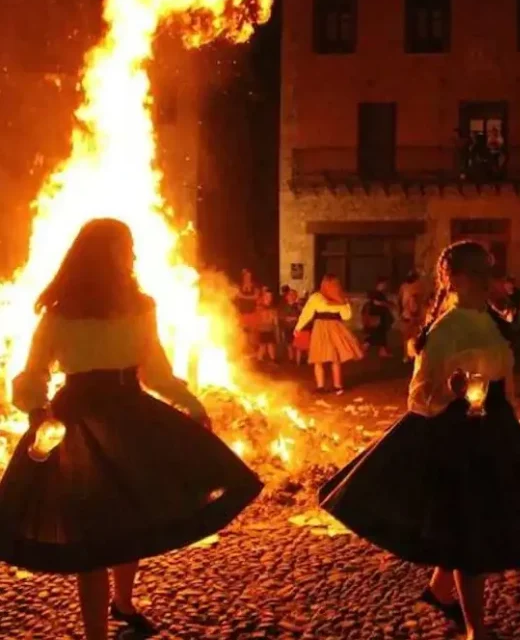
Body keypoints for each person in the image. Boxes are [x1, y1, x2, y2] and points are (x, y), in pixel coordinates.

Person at [0, 219, 261, 640]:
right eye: (128, 248)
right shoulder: (62, 312)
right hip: (92, 422)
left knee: (123, 518)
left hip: (111, 415)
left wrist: (191, 404)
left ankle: (122, 603)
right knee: (98, 530)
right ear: (111, 255)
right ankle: (99, 633)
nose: (134, 256)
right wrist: (37, 414)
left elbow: (155, 371)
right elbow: (34, 375)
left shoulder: (136, 306)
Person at [318, 241, 520, 640]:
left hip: (495, 433)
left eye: (490, 272)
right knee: (469, 531)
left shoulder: (494, 321)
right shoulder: (445, 331)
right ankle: (475, 631)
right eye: (479, 273)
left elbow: (507, 381)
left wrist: (510, 421)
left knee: (482, 519)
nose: (489, 281)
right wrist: (452, 390)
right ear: (456, 279)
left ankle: (438, 590)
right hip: (459, 439)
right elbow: (420, 397)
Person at [296, 275, 364, 395]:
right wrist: (299, 327)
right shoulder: (324, 298)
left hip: (328, 328)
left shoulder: (324, 298)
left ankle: (328, 386)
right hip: (328, 328)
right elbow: (307, 313)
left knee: (328, 358)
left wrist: (298, 327)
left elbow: (307, 313)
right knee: (324, 358)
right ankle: (331, 386)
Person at [363, 277, 395, 358]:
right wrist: (387, 304)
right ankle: (366, 345)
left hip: (380, 318)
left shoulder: (379, 294)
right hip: (378, 318)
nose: (385, 286)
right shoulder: (377, 294)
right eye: (384, 284)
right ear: (380, 284)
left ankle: (381, 350)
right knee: (378, 334)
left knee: (380, 334)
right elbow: (377, 303)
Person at [399, 272, 424, 364]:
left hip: (406, 315)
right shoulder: (417, 287)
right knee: (415, 336)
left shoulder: (403, 287)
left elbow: (400, 300)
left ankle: (407, 355)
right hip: (413, 316)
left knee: (407, 337)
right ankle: (412, 355)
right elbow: (415, 303)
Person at [279, 288, 303, 364]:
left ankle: (298, 361)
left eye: (293, 294)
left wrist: (295, 318)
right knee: (289, 344)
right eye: (290, 294)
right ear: (286, 297)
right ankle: (291, 359)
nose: (291, 296)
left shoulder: (298, 306)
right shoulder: (283, 306)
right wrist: (287, 318)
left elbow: (302, 314)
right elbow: (281, 316)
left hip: (296, 327)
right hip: (288, 327)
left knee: (298, 344)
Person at [255, 288, 278, 363]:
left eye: (270, 296)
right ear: (264, 297)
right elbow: (264, 319)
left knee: (270, 344)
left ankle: (272, 359)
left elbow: (274, 320)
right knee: (263, 346)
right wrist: (270, 316)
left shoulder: (272, 307)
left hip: (270, 329)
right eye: (267, 296)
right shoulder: (260, 306)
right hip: (262, 329)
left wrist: (275, 323)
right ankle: (259, 359)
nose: (269, 298)